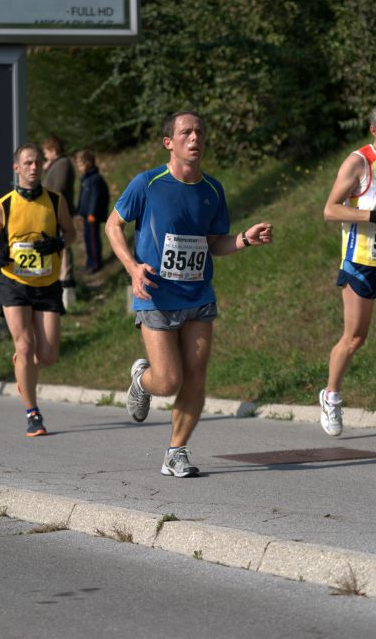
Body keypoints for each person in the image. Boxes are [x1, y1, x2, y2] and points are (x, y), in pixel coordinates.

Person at [105, 111, 273, 477]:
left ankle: (175, 453)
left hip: (198, 294)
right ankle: (141, 380)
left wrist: (244, 239)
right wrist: (133, 267)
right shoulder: (147, 184)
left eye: (199, 131)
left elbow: (214, 243)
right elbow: (113, 225)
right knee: (167, 381)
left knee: (196, 375)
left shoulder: (212, 190)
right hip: (155, 294)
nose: (195, 138)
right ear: (169, 142)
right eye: (186, 132)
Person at [0, 143, 76, 436]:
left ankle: (25, 365)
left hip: (47, 284)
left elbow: (71, 232)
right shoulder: (4, 205)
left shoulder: (56, 200)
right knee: (24, 345)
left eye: (37, 163)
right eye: (28, 163)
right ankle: (33, 413)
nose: (34, 167)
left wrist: (59, 243)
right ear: (17, 168)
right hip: (14, 283)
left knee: (46, 356)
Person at [320, 102, 376, 437]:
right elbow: (330, 210)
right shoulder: (359, 163)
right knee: (356, 337)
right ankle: (331, 395)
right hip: (362, 261)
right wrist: (372, 216)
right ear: (375, 130)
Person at [41, 135, 77, 307]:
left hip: (60, 211)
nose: (45, 156)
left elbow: (58, 188)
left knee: (64, 246)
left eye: (46, 152)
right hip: (53, 211)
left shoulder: (62, 164)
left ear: (54, 150)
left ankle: (66, 284)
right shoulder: (56, 165)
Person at [75, 149, 109, 273]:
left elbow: (95, 197)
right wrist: (79, 209)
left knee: (93, 239)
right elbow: (82, 196)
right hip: (86, 215)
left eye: (80, 165)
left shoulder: (96, 179)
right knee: (87, 238)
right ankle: (89, 262)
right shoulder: (85, 178)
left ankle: (96, 263)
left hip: (92, 216)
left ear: (88, 163)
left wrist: (92, 213)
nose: (79, 168)